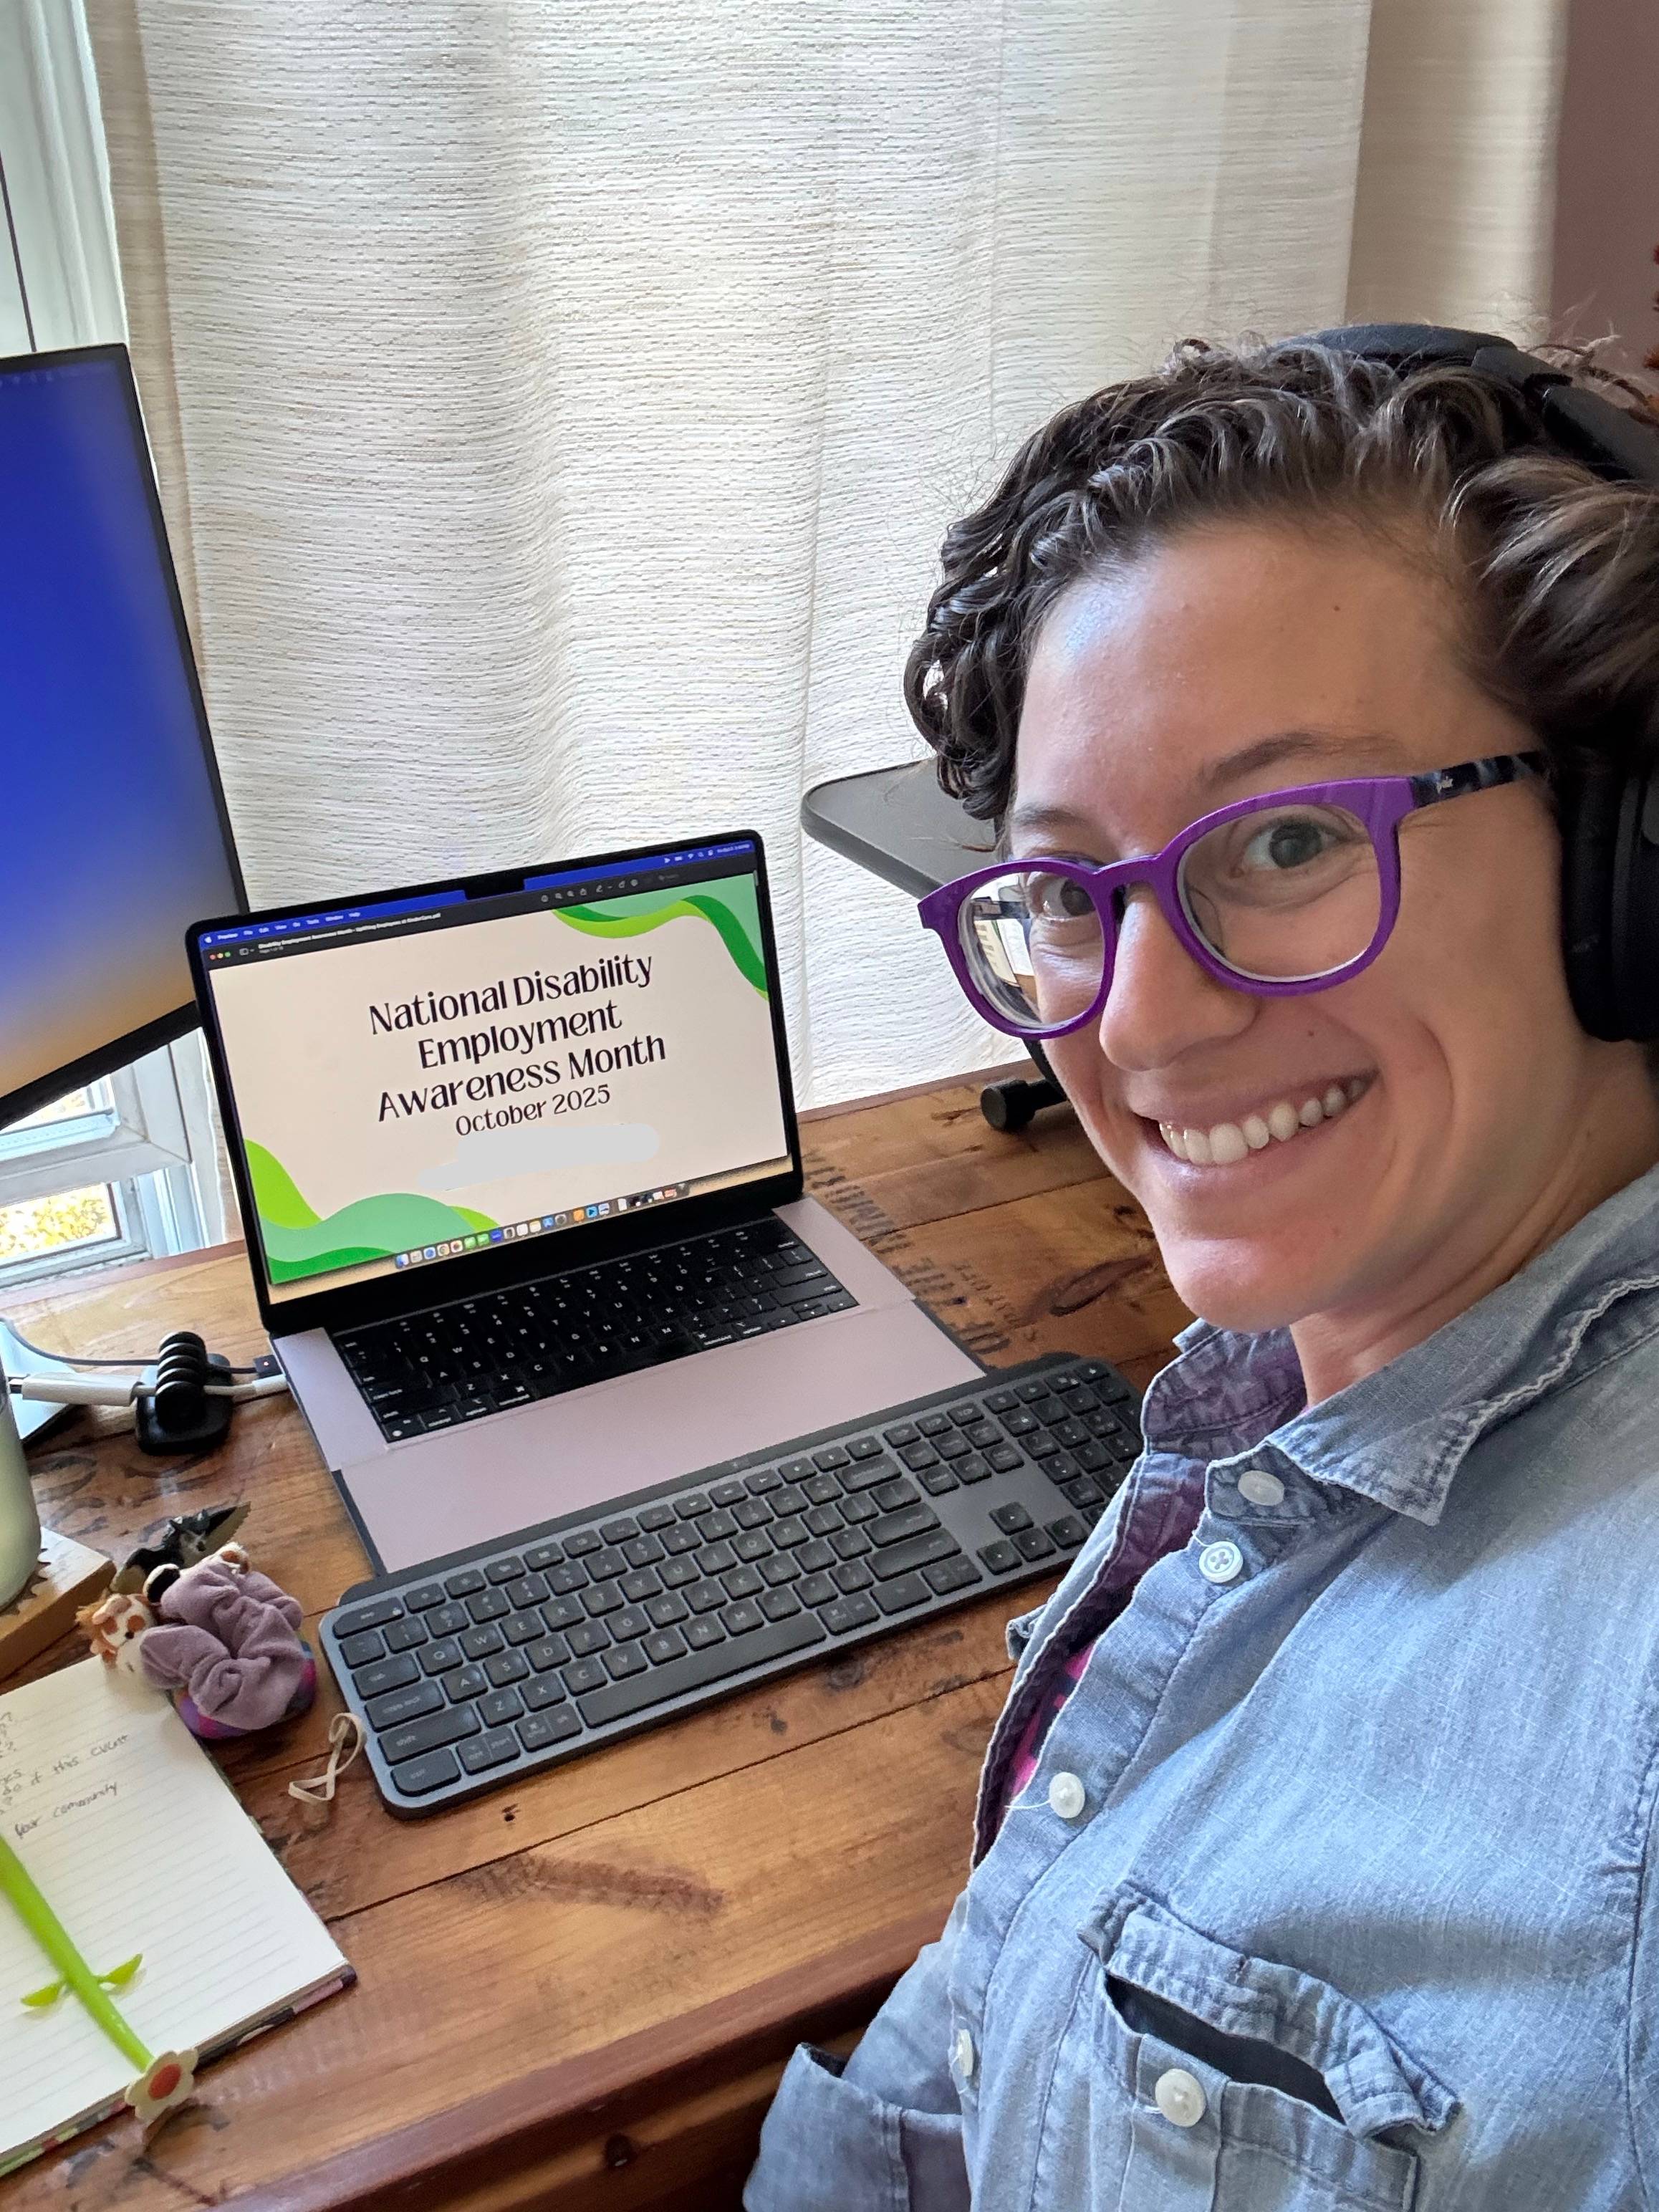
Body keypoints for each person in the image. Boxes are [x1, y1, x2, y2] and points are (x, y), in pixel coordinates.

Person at [744, 333, 1659, 2210]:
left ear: (1618, 858)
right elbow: (994, 2008)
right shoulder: (1292, 1374)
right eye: (1065, 891)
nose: (1141, 1025)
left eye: (1291, 839)